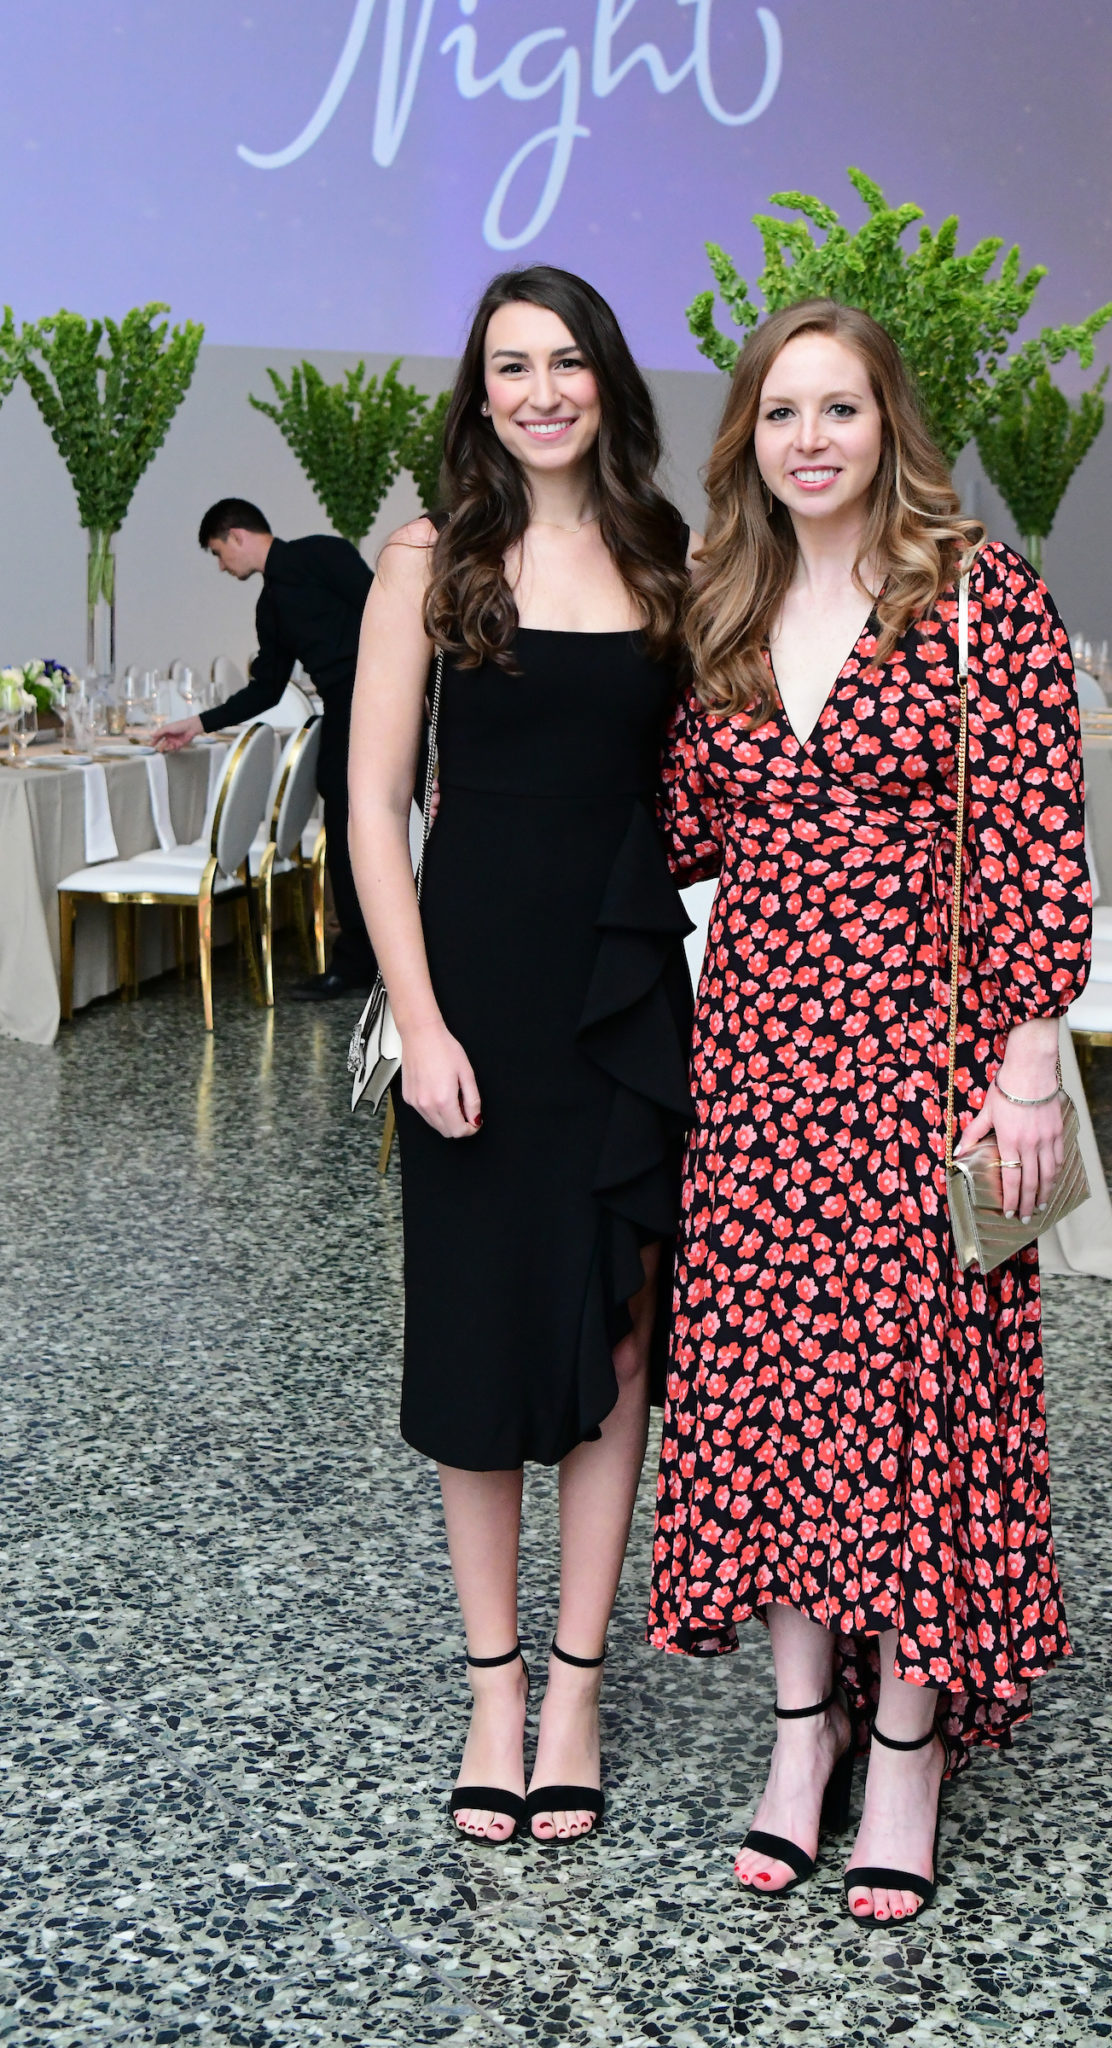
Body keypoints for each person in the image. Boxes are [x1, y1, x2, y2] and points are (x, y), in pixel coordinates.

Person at [647, 299, 1092, 1923]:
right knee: (779, 1400)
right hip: (759, 1071)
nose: (811, 438)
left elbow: (1043, 836)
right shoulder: (726, 607)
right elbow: (677, 828)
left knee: (915, 1405)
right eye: (781, 412)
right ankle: (796, 1737)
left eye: (840, 408)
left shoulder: (980, 600)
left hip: (925, 1062)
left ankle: (903, 1748)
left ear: (890, 424)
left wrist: (1027, 1063)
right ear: (749, 439)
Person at [348, 267, 694, 1846]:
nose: (540, 389)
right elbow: (369, 810)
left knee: (621, 1343)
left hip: (621, 997)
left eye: (565, 362)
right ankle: (493, 1684)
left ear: (603, 380)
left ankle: (574, 1684)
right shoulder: (431, 556)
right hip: (473, 991)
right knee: (482, 1337)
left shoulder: (664, 556)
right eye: (510, 366)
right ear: (477, 392)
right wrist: (418, 1024)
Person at [156, 500, 376, 998]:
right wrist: (198, 723)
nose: (221, 566)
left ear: (236, 536)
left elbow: (383, 611)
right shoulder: (270, 604)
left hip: (382, 698)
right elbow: (267, 689)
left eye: (218, 553)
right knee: (344, 829)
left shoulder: (323, 554)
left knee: (372, 823)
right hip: (344, 708)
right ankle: (359, 961)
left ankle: (384, 956)